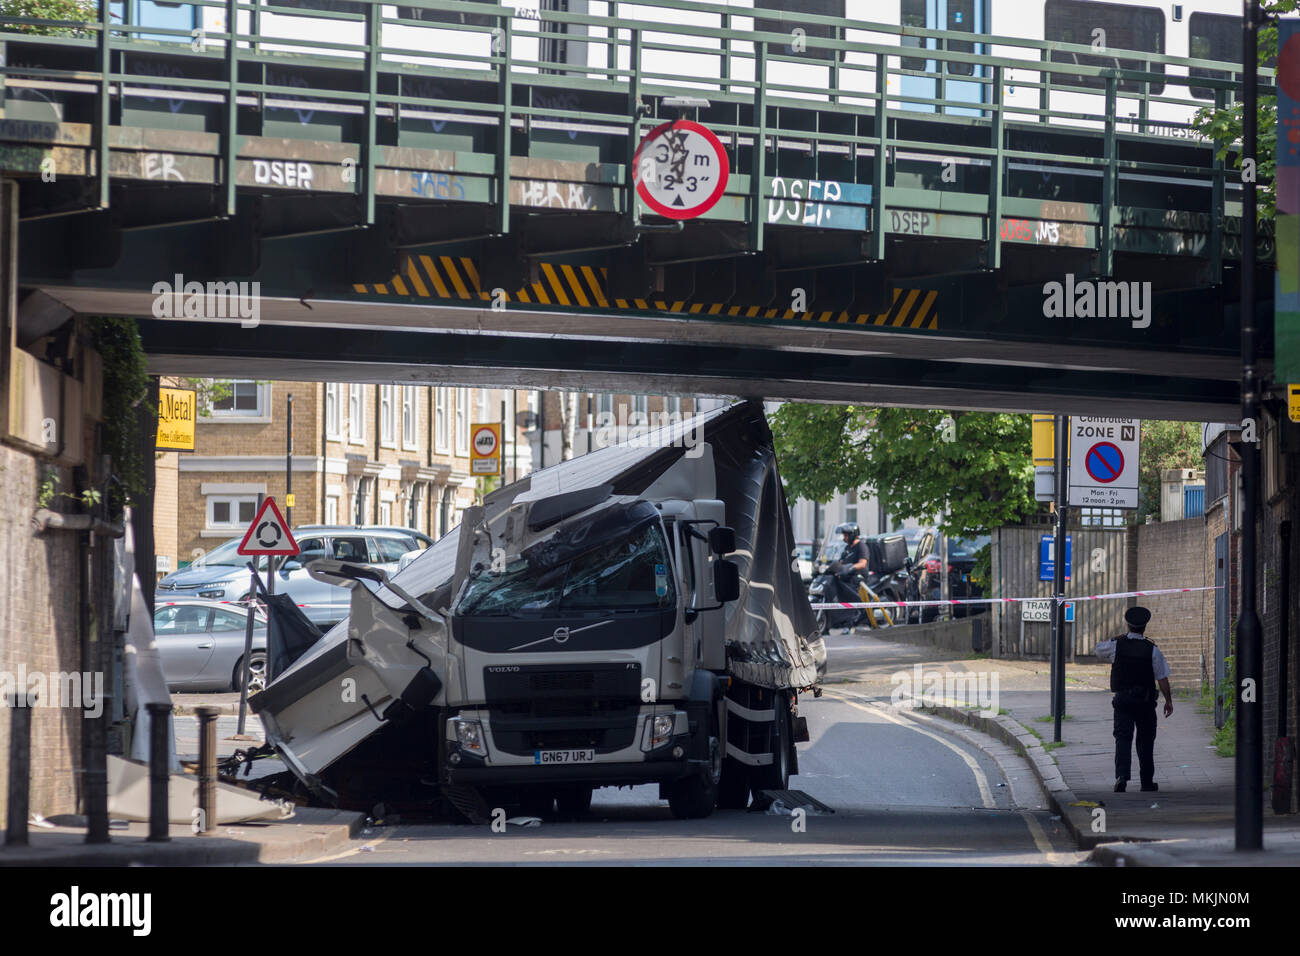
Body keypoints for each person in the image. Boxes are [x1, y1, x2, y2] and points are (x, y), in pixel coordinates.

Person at [1094, 606, 1173, 793]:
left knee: (1123, 738)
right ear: (1145, 627)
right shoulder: (1152, 650)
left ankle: (1122, 777)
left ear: (1128, 625)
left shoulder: (1116, 645)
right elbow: (1162, 677)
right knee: (1146, 740)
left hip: (1123, 700)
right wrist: (1168, 701)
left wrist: (1120, 638)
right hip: (1145, 702)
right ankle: (1146, 781)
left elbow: (1098, 650)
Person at [830, 523, 870, 633]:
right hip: (847, 577)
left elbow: (863, 563)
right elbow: (841, 561)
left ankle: (853, 620)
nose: (844, 538)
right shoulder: (848, 548)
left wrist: (851, 567)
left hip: (857, 578)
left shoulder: (861, 546)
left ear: (853, 535)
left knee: (851, 597)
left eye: (846, 535)